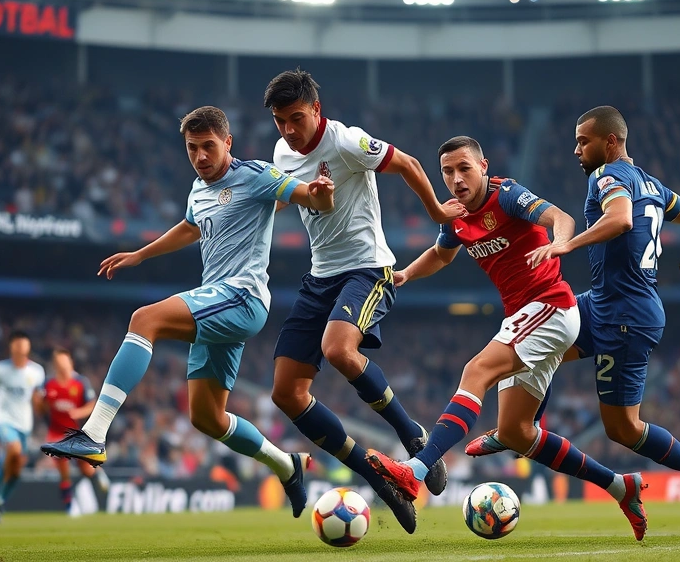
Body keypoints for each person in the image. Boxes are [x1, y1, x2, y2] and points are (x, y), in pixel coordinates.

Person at [42, 106, 335, 518]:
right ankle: (285, 465)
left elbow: (302, 194)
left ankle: (94, 432)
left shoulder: (254, 175)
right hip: (217, 301)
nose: (200, 156)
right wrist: (141, 254)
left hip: (243, 296)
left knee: (145, 320)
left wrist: (317, 193)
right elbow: (189, 226)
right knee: (207, 417)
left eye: (208, 146)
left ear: (227, 142)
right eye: (192, 148)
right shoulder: (199, 188)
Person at [365, 136, 649, 540]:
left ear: (483, 166)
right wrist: (408, 274)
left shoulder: (508, 195)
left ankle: (413, 472)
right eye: (448, 172)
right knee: (517, 432)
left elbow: (561, 217)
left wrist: (558, 245)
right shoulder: (457, 216)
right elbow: (442, 254)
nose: (456, 179)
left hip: (551, 307)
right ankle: (621, 486)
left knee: (476, 370)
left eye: (464, 168)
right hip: (524, 316)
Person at [470, 105, 680, 520]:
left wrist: (566, 244)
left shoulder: (606, 175)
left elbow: (621, 220)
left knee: (622, 429)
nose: (577, 150)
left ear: (610, 142)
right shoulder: (652, 184)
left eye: (583, 141)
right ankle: (516, 429)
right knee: (543, 336)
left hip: (626, 316)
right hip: (603, 302)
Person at [262, 68, 465, 534]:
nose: (289, 131)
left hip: (367, 268)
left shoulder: (347, 142)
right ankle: (377, 474)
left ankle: (413, 435)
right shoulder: (280, 152)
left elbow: (410, 164)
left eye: (296, 118)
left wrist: (437, 211)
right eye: (280, 121)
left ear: (316, 109)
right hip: (319, 277)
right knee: (285, 393)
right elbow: (283, 195)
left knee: (338, 350)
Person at [0, 330, 45, 522]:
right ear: (11, 346)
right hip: (3, 419)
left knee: (17, 469)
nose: (21, 347)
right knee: (14, 448)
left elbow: (37, 398)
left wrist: (42, 405)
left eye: (24, 343)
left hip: (24, 424)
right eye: (17, 343)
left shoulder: (36, 371)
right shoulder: (0, 369)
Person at [42, 348, 110, 515]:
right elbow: (42, 404)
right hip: (56, 433)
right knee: (63, 470)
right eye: (58, 362)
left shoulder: (80, 382)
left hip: (76, 432)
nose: (62, 365)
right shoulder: (48, 384)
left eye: (64, 361)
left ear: (70, 362)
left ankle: (98, 475)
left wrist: (78, 413)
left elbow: (91, 404)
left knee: (85, 469)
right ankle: (70, 506)